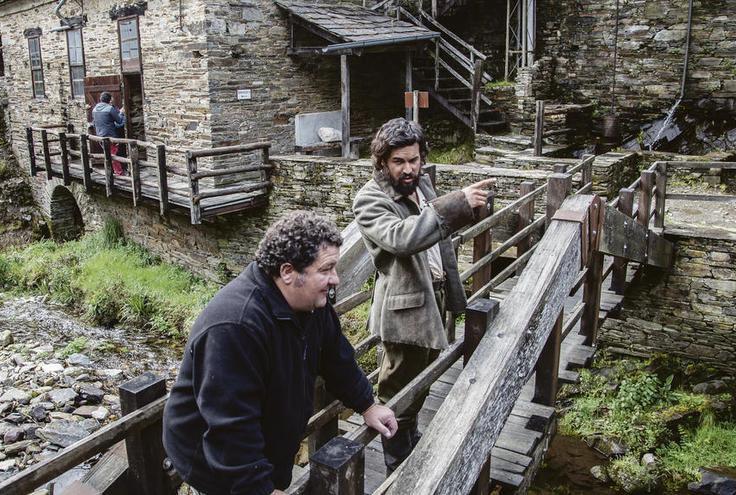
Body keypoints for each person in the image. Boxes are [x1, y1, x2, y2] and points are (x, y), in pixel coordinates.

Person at [163, 211, 397, 495]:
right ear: (288, 272)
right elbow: (231, 426)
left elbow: (336, 356)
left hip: (265, 444)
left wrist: (367, 404)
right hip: (214, 462)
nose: (335, 279)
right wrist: (260, 489)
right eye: (326, 269)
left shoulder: (311, 303)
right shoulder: (235, 327)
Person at [352, 117, 495, 473]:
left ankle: (410, 439)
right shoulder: (369, 199)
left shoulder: (422, 183)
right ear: (382, 161)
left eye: (414, 159)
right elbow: (403, 238)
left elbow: (437, 231)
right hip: (405, 311)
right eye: (399, 161)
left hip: (436, 299)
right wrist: (456, 203)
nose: (409, 168)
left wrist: (470, 206)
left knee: (424, 380)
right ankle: (397, 465)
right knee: (396, 392)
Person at [91, 91, 126, 175]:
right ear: (109, 100)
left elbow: (95, 122)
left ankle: (111, 172)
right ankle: (119, 173)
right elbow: (119, 120)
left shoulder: (95, 109)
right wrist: (121, 112)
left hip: (100, 136)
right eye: (111, 99)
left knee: (108, 154)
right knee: (112, 155)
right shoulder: (110, 109)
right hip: (110, 136)